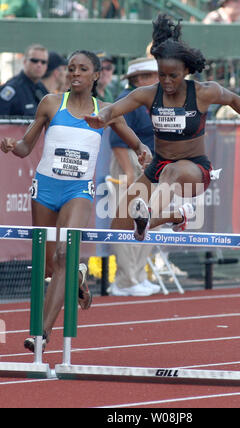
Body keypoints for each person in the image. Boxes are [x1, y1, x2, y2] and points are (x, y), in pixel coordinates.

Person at [85, 13, 240, 242]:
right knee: (118, 227)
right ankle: (174, 216)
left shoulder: (204, 92)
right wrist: (100, 117)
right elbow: (114, 109)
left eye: (173, 76)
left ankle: (148, 218)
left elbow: (235, 100)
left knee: (171, 173)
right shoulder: (149, 94)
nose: (167, 82)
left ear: (185, 71)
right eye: (162, 75)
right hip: (158, 166)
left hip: (194, 170)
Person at [0, 50, 151, 352]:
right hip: (45, 188)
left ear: (96, 75)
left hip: (78, 191)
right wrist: (11, 145)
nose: (76, 74)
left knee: (62, 256)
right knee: (47, 268)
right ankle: (78, 280)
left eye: (83, 69)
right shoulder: (51, 103)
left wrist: (142, 150)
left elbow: (135, 141)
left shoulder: (104, 111)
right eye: (71, 69)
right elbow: (26, 146)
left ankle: (41, 333)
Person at [109, 57, 160, 296]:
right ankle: (125, 280)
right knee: (125, 219)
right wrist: (128, 172)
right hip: (130, 162)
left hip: (150, 163)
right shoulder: (126, 100)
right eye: (152, 75)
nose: (160, 80)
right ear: (138, 79)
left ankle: (137, 275)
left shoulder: (154, 100)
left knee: (148, 220)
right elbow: (117, 139)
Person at [0, 44, 48, 117]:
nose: (39, 65)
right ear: (25, 62)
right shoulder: (12, 88)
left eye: (43, 62)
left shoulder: (41, 88)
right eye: (34, 61)